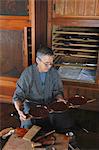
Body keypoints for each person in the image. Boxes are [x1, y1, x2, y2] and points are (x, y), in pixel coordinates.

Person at [12, 47, 64, 128]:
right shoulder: (28, 74)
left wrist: (60, 99)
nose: (49, 66)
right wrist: (19, 111)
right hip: (31, 105)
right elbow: (18, 96)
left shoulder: (54, 73)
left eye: (51, 63)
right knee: (27, 128)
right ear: (37, 60)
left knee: (59, 125)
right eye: (46, 64)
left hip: (49, 104)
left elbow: (57, 91)